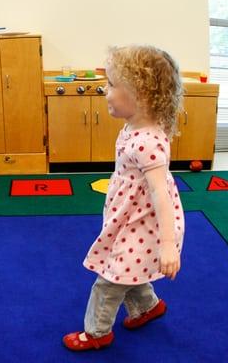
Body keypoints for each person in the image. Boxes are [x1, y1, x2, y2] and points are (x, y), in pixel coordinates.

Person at [63, 45, 185, 351]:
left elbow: (160, 193)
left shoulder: (147, 143)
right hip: (129, 215)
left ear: (140, 96)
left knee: (110, 277)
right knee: (127, 266)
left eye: (113, 84)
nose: (106, 90)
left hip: (145, 224)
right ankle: (148, 307)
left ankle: (97, 332)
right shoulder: (133, 128)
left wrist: (168, 244)